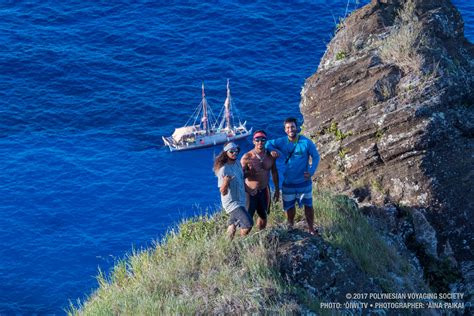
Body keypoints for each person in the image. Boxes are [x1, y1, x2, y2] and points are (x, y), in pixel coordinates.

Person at [265, 117, 320, 235]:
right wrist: (270, 150)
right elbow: (267, 143)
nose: (290, 129)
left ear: (297, 128)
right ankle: (290, 227)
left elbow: (316, 157)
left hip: (304, 182)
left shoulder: (306, 142)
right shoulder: (282, 142)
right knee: (289, 208)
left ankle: (311, 228)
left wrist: (311, 171)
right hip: (288, 183)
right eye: (288, 127)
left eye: (292, 127)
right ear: (285, 130)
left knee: (309, 206)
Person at [240, 130, 280, 230]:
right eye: (257, 140)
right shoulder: (247, 157)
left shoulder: (270, 156)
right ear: (253, 141)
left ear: (266, 141)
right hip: (250, 193)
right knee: (247, 222)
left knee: (264, 217)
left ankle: (261, 237)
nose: (260, 142)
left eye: (262, 140)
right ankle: (243, 241)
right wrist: (247, 188)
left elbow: (274, 172)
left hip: (264, 191)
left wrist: (277, 189)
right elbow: (239, 177)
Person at [214, 142, 253, 238]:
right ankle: (242, 241)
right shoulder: (223, 169)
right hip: (232, 203)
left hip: (241, 200)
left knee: (233, 225)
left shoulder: (238, 164)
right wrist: (226, 182)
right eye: (231, 151)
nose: (235, 153)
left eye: (236, 150)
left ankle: (226, 244)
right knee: (248, 223)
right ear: (226, 153)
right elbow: (223, 192)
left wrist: (250, 190)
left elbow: (241, 179)